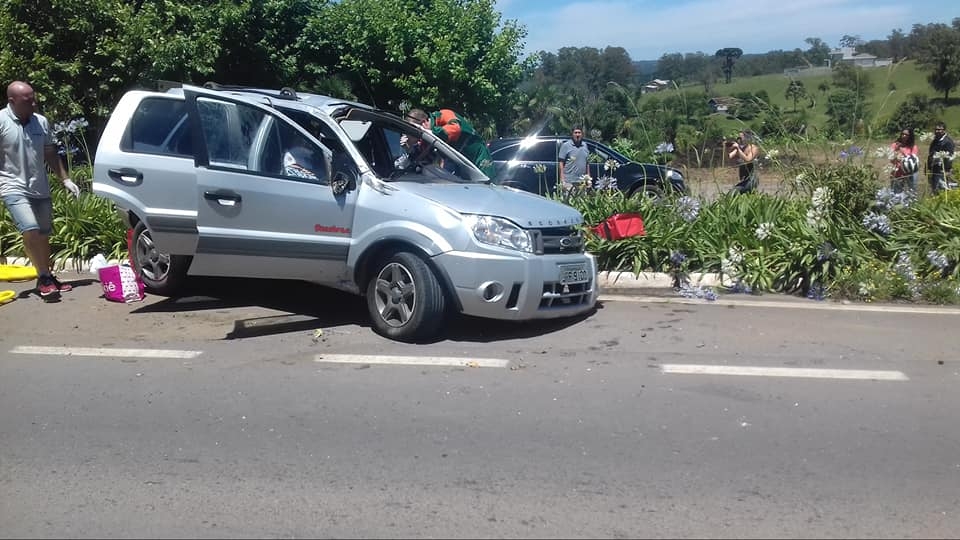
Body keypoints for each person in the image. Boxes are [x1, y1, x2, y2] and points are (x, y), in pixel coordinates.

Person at [0, 81, 79, 301]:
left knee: (44, 235)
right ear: (12, 101)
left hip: (39, 187)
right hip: (11, 186)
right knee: (31, 230)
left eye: (34, 98)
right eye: (28, 101)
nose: (34, 103)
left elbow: (50, 152)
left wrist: (65, 179)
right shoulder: (1, 121)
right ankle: (43, 275)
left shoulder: (41, 122)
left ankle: (47, 276)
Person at [406, 108, 494, 177]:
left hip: (478, 155)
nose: (419, 139)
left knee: (488, 184)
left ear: (424, 122)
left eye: (416, 134)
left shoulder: (443, 114)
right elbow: (420, 158)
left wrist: (432, 132)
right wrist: (408, 147)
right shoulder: (425, 139)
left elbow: (455, 128)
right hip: (461, 163)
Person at [727, 129, 760, 194]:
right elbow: (729, 157)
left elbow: (748, 160)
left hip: (751, 179)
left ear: (747, 138)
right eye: (738, 138)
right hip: (743, 180)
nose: (739, 140)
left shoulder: (754, 148)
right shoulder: (740, 149)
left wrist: (738, 149)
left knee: (732, 193)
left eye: (740, 138)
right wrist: (727, 149)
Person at [558, 126, 591, 192]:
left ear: (582, 134)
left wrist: (588, 179)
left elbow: (587, 163)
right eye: (575, 133)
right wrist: (562, 180)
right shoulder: (566, 145)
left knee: (582, 201)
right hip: (569, 181)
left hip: (582, 181)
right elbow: (561, 163)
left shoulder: (585, 146)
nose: (577, 135)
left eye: (579, 133)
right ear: (572, 134)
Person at [927, 121, 954, 194]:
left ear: (944, 130)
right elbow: (930, 154)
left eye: (939, 129)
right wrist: (928, 167)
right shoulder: (935, 141)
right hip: (934, 168)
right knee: (934, 187)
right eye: (936, 129)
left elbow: (949, 156)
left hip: (942, 169)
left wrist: (947, 170)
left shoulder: (948, 142)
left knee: (942, 188)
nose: (937, 131)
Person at [890, 127, 919, 193]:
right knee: (896, 193)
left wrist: (902, 151)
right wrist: (896, 155)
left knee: (912, 192)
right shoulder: (895, 145)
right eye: (902, 134)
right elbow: (891, 159)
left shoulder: (913, 147)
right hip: (897, 172)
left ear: (910, 136)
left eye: (906, 135)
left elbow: (913, 159)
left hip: (910, 173)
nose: (904, 136)